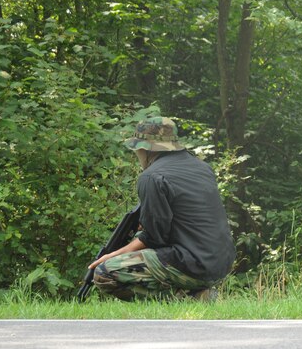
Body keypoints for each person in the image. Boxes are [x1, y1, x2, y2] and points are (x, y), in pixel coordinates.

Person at [88, 117, 236, 301]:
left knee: (105, 273)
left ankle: (193, 298)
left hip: (194, 264)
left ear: (144, 148)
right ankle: (197, 293)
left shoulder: (151, 177)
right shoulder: (203, 168)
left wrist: (113, 254)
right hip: (223, 262)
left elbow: (155, 238)